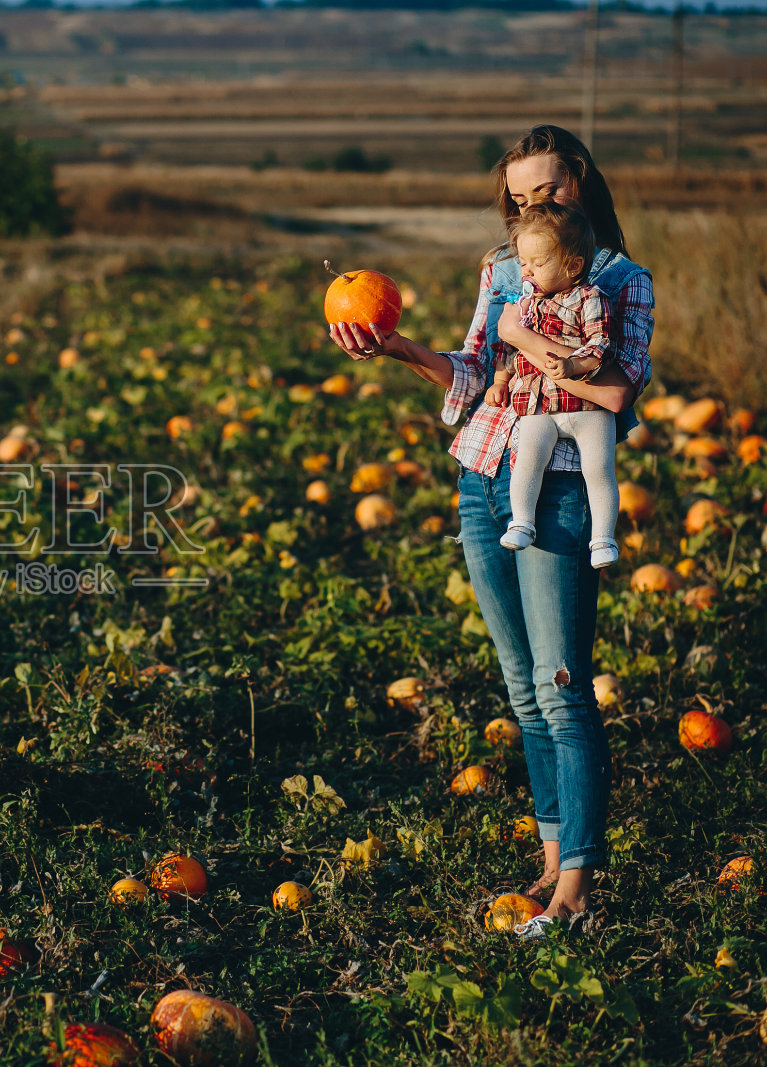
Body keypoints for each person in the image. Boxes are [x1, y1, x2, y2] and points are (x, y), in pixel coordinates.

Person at [328, 124, 655, 938]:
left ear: (581, 182)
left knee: (562, 684)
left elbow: (618, 393)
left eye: (547, 191)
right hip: (485, 474)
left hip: (565, 490)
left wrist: (523, 337)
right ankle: (551, 860)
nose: (531, 208)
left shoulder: (621, 280)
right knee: (521, 685)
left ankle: (576, 892)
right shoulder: (502, 270)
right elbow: (473, 370)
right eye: (518, 198)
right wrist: (401, 347)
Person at [484, 202, 622, 571]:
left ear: (572, 266)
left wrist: (573, 363)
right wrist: (501, 380)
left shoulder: (590, 298)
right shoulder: (527, 304)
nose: (525, 271)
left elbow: (601, 346)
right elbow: (511, 351)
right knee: (527, 457)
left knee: (598, 468)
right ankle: (522, 522)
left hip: (586, 407)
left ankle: (603, 538)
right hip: (538, 405)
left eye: (536, 263)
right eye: (523, 263)